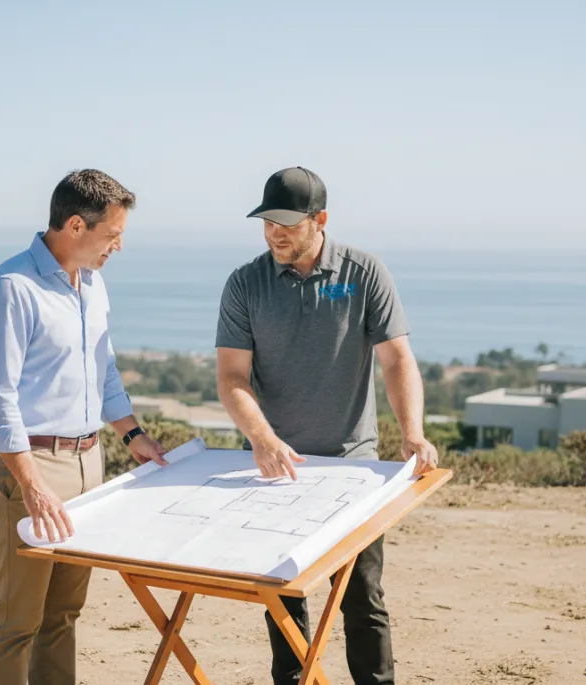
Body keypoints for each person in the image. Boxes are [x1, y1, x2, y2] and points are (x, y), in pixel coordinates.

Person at [215, 166, 438, 685]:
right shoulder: (245, 283)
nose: (276, 232)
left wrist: (412, 432)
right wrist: (262, 437)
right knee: (283, 597)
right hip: (276, 469)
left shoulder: (363, 271)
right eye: (268, 222)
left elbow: (396, 360)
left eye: (288, 223)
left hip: (354, 469)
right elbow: (231, 377)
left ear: (320, 220)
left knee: (362, 599)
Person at [0, 169, 169, 685]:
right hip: (32, 467)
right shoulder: (10, 288)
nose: (119, 247)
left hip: (90, 462)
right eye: (113, 235)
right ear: (76, 225)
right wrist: (31, 485)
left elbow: (102, 368)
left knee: (63, 614)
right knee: (19, 620)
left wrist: (131, 434)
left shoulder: (93, 284)